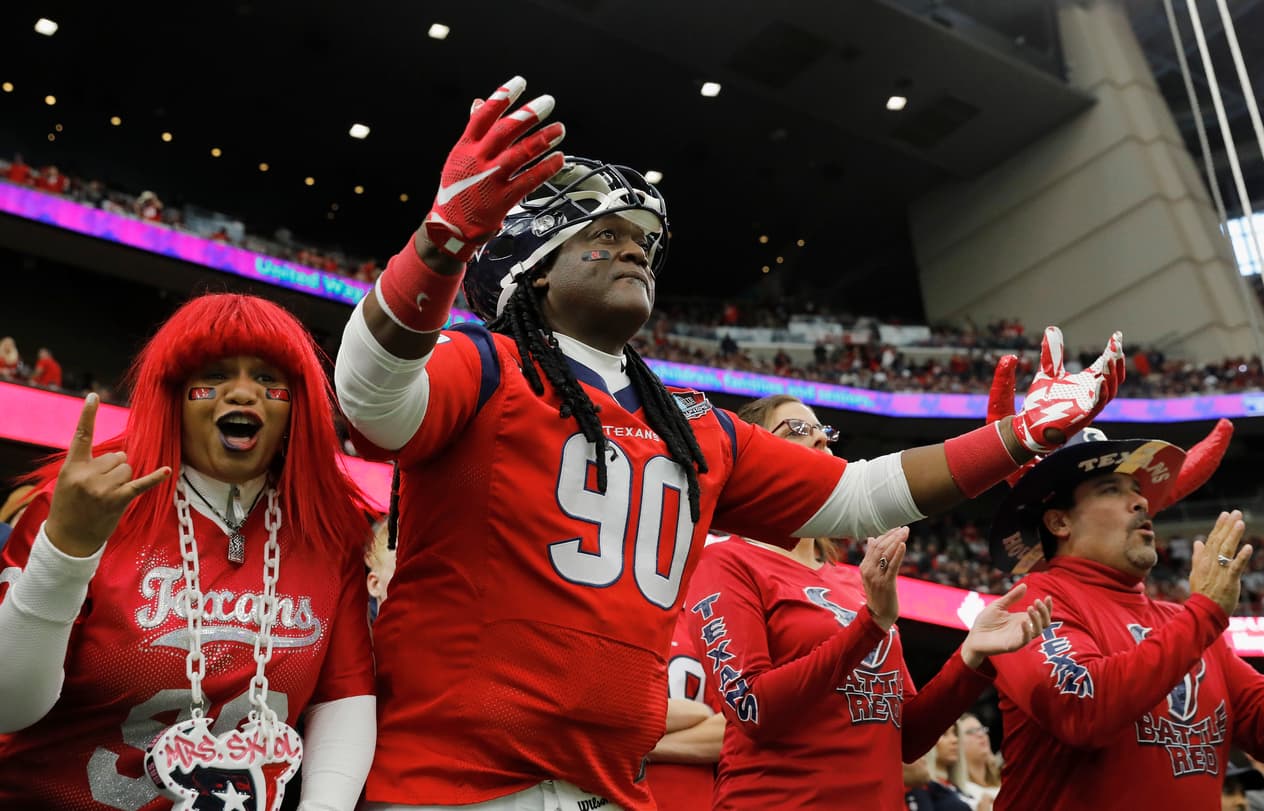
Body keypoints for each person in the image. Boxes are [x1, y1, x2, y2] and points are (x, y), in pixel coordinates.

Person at [333, 75, 1123, 811]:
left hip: (608, 786)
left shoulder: (696, 423)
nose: (634, 247)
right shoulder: (486, 365)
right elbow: (368, 399)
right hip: (447, 783)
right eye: (603, 236)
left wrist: (1016, 437)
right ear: (536, 271)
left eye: (642, 239)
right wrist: (439, 242)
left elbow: (858, 493)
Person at [0, 293, 376, 810]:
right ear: (174, 394)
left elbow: (343, 695)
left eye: (270, 379)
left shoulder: (328, 531)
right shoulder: (90, 507)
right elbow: (7, 705)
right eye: (216, 376)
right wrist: (65, 552)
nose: (244, 393)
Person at [683, 394, 1049, 809]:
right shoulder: (725, 562)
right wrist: (869, 625)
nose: (821, 439)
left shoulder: (853, 581)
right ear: (753, 459)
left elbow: (906, 736)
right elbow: (754, 710)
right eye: (797, 430)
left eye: (825, 431)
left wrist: (972, 658)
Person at [983, 421, 1264, 810]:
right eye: (1111, 490)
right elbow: (1083, 712)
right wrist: (1204, 613)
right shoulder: (1027, 606)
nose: (1142, 502)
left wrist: (1201, 617)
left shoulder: (1186, 622)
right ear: (1060, 522)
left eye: (1139, 491)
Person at [646, 599, 725, 811]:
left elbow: (730, 731)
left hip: (688, 801)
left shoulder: (705, 622)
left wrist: (641, 747)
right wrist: (693, 713)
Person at [956, 713, 1000, 805]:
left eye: (982, 729)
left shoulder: (1004, 782)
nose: (981, 734)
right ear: (956, 742)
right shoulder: (960, 792)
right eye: (971, 732)